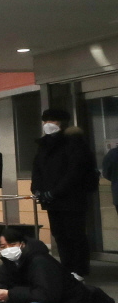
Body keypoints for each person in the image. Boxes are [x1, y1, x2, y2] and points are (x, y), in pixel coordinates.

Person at [31, 107, 98, 276]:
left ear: (62, 123)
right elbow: (37, 169)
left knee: (75, 235)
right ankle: (67, 269)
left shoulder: (74, 142)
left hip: (71, 199)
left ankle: (79, 270)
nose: (48, 124)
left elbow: (75, 172)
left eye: (52, 121)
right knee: (59, 235)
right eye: (45, 121)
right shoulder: (44, 144)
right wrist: (37, 189)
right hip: (51, 200)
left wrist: (55, 192)